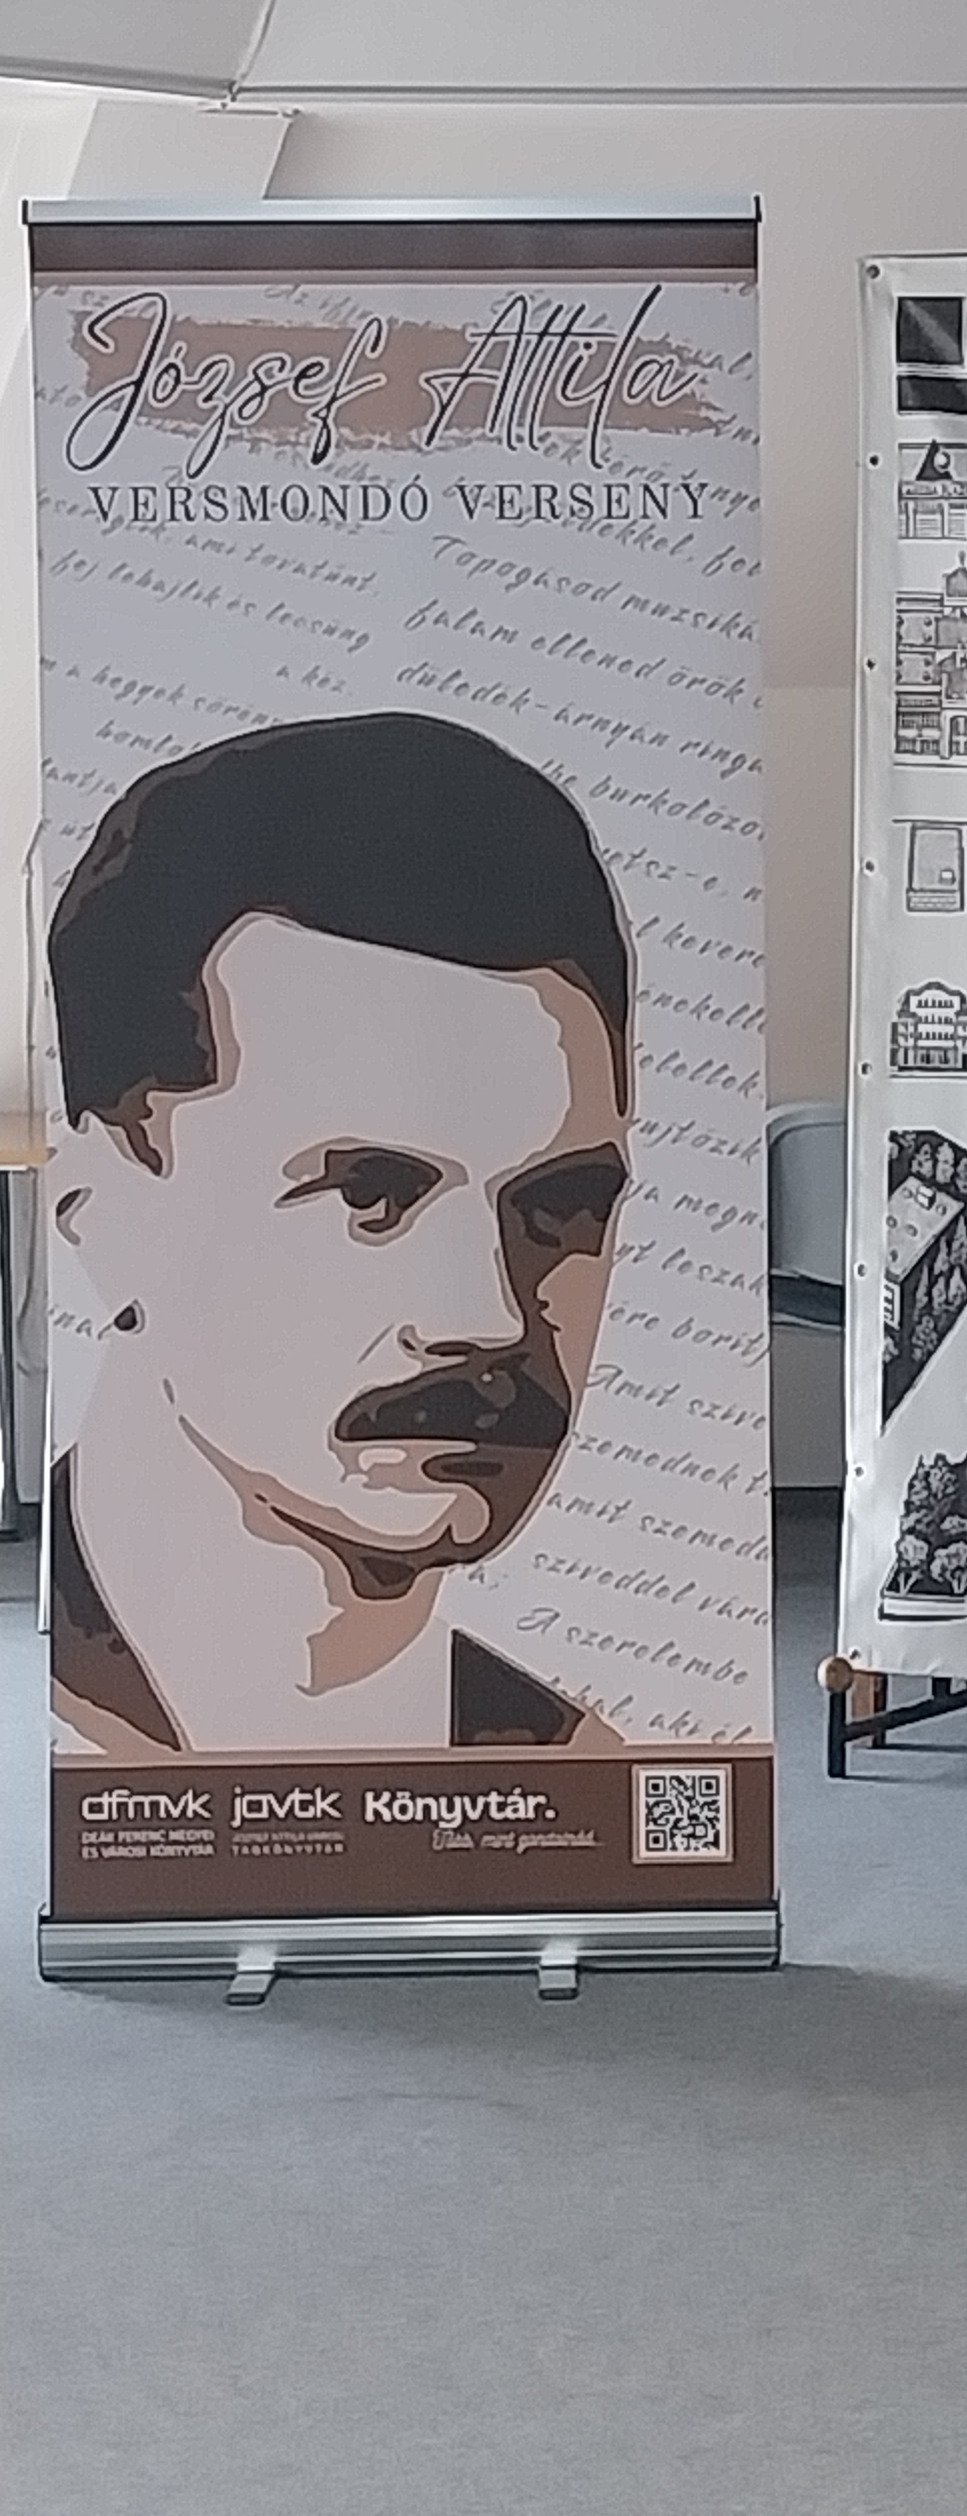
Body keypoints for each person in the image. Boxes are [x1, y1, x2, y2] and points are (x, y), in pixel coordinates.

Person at [47, 713, 636, 1761]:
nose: (488, 1318)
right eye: (373, 1193)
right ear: (103, 1206)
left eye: (560, 1209)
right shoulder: (63, 1748)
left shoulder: (586, 1769)